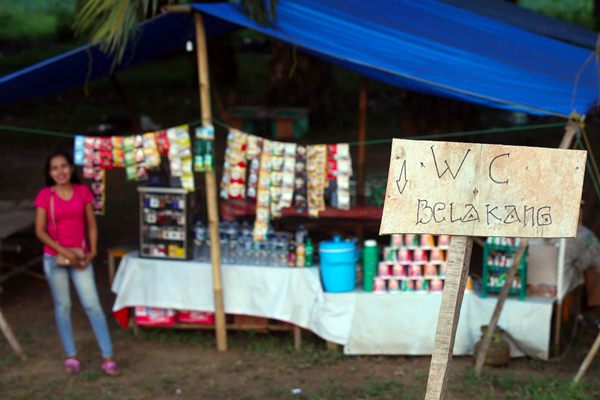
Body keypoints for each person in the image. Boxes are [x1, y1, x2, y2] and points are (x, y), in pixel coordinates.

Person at [34, 150, 119, 376]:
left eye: (63, 166)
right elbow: (40, 231)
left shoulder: (82, 192)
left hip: (81, 256)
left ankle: (107, 356)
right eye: (54, 168)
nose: (60, 172)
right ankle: (71, 355)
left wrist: (91, 251)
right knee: (63, 307)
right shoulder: (45, 196)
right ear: (49, 173)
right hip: (54, 257)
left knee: (92, 305)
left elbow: (91, 225)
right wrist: (64, 252)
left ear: (71, 169)